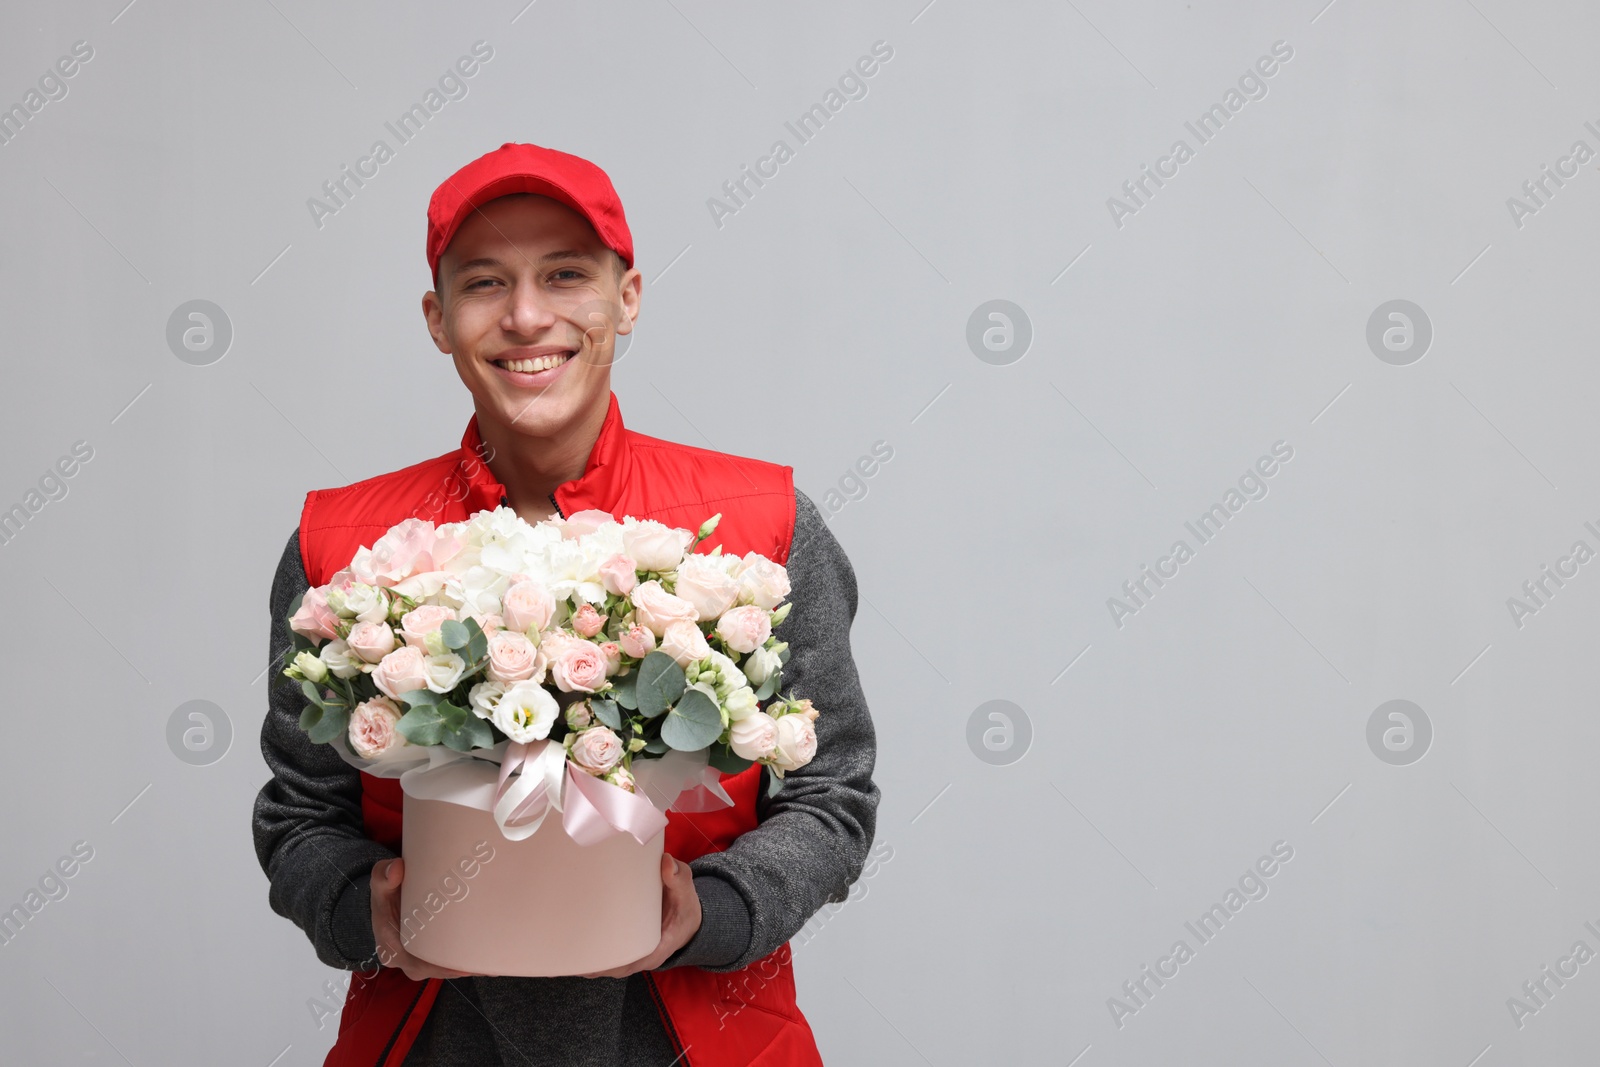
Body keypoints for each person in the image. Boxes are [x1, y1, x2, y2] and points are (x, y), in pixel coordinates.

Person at [252, 142, 882, 1066]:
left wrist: (713, 911)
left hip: (712, 1042)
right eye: (483, 283)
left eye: (565, 276)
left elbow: (834, 794)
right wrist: (370, 910)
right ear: (437, 318)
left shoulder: (759, 528)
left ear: (626, 299)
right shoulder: (344, 545)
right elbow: (299, 812)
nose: (526, 316)